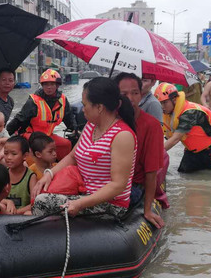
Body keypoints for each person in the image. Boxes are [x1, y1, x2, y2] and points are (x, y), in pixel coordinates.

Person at [32, 77, 137, 219]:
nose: (83, 109)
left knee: (42, 202)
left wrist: (81, 203)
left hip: (109, 204)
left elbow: (118, 185)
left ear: (99, 107)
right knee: (40, 191)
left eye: (85, 105)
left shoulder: (122, 136)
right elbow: (72, 156)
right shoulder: (91, 126)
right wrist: (49, 174)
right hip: (82, 192)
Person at [116, 73, 165, 228]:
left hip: (131, 186)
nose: (130, 98)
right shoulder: (106, 119)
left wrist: (148, 209)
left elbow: (151, 172)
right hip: (103, 183)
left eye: (135, 93)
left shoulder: (151, 125)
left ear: (141, 94)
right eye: (124, 94)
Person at [156, 82, 211, 173]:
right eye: (160, 103)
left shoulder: (189, 112)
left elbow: (176, 139)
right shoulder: (170, 112)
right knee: (183, 174)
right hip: (194, 149)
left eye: (164, 102)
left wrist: (154, 155)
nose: (162, 107)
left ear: (174, 99)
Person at [6, 69, 77, 160]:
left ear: (57, 85)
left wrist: (75, 129)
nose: (49, 87)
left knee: (66, 144)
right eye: (46, 84)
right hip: (30, 134)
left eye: (52, 84)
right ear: (42, 86)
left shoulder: (63, 100)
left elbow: (69, 117)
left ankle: (61, 167)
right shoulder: (34, 100)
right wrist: (7, 134)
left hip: (47, 136)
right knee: (44, 147)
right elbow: (20, 118)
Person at [4, 135, 37, 214]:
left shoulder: (30, 176)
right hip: (4, 215)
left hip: (22, 216)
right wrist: (8, 202)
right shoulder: (3, 173)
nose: (8, 157)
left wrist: (16, 212)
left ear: (25, 156)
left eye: (14, 154)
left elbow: (34, 203)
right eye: (6, 153)